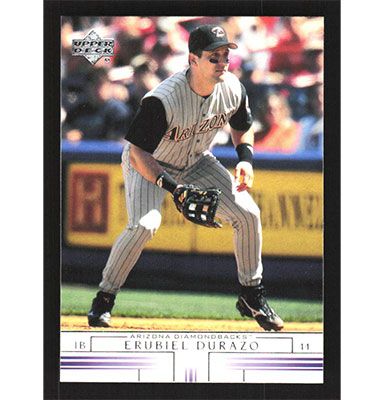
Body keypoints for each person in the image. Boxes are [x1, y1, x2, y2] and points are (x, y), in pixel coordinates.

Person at [87, 24, 284, 331]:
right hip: (150, 162)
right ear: (193, 59)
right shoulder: (163, 99)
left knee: (248, 214)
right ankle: (104, 299)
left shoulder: (233, 87)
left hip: (195, 161)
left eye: (225, 55)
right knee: (144, 225)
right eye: (213, 57)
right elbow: (138, 153)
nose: (222, 62)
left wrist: (245, 160)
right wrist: (173, 188)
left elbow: (242, 126)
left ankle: (251, 295)